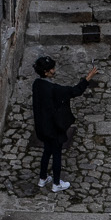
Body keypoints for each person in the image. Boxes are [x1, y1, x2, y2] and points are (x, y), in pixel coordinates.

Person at [30, 55, 96, 192]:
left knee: (47, 151)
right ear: (46, 72)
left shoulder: (37, 84)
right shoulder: (54, 89)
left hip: (42, 126)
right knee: (57, 155)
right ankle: (56, 184)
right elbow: (75, 91)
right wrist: (88, 78)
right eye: (52, 69)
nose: (54, 70)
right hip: (53, 128)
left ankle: (42, 178)